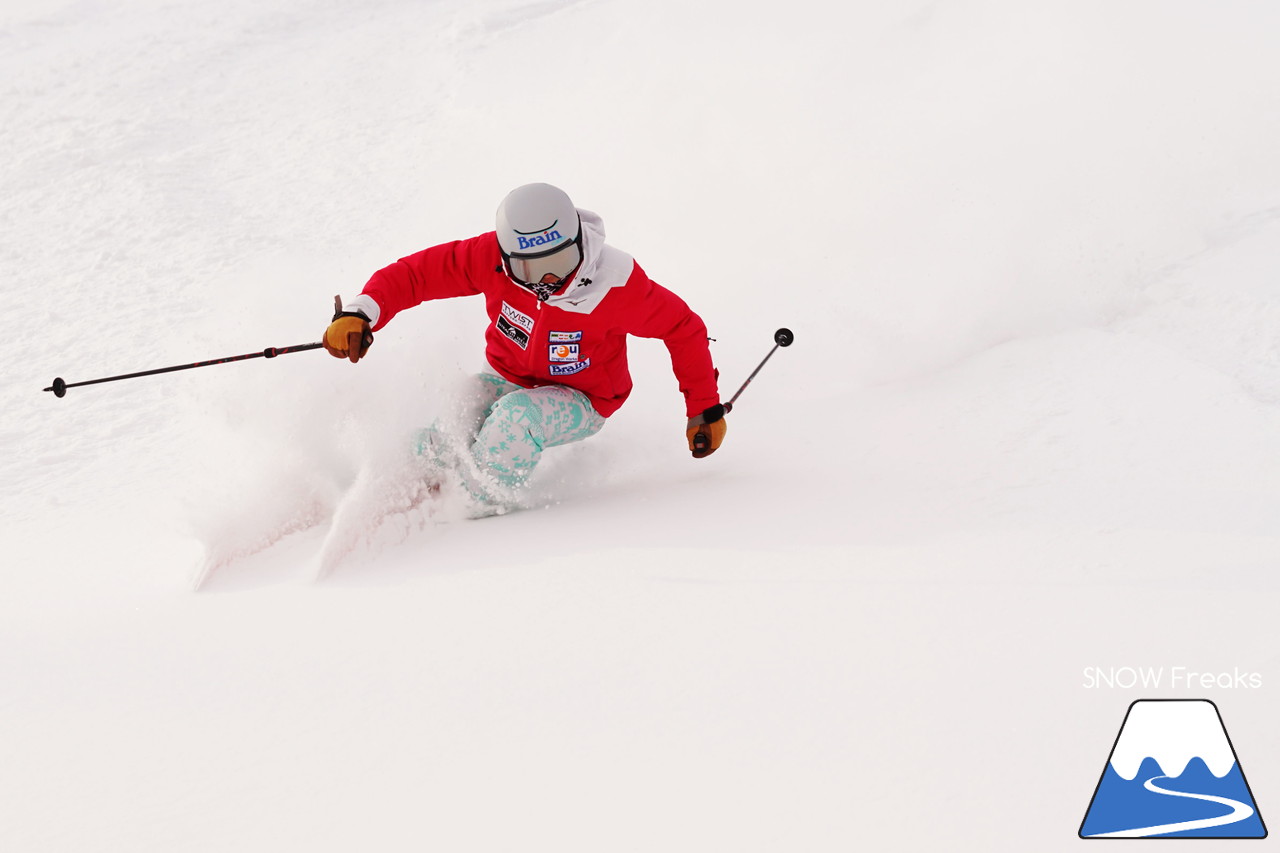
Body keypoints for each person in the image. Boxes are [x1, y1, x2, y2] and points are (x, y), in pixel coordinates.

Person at [323, 182, 727, 512]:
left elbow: (683, 328)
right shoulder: (489, 259)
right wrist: (361, 312)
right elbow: (416, 275)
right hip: (506, 376)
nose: (547, 279)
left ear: (579, 243)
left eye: (562, 259)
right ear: (507, 257)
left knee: (516, 419)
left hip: (584, 397)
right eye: (529, 268)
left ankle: (468, 507)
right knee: (457, 414)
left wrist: (704, 409)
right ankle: (387, 490)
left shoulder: (616, 285)